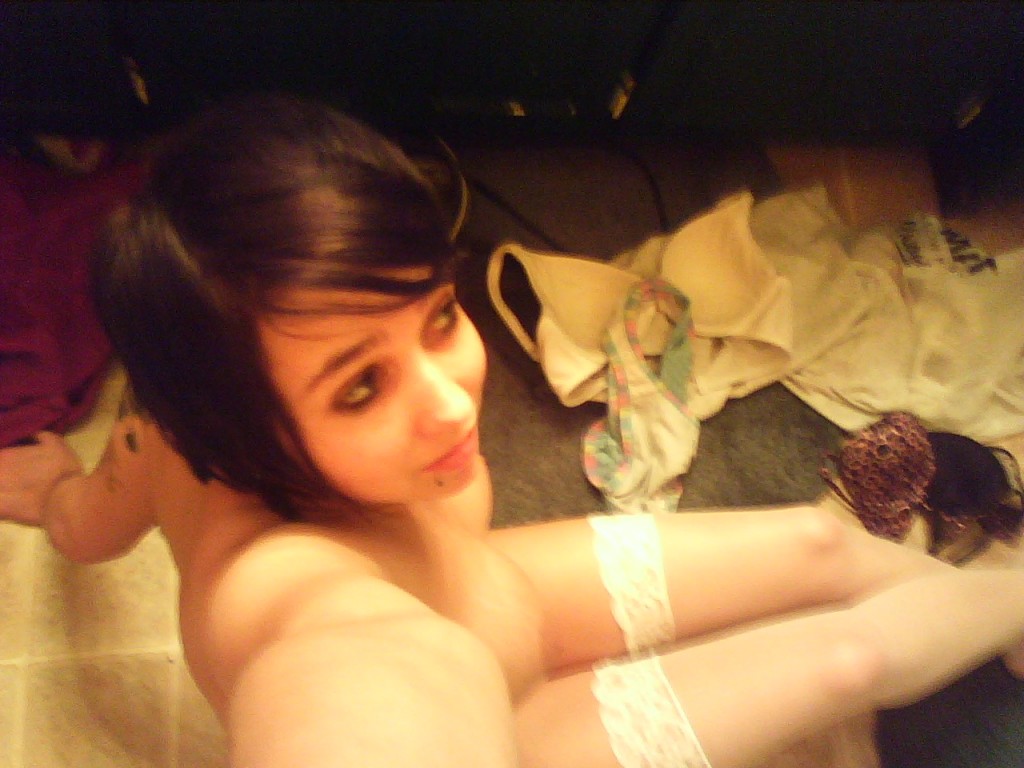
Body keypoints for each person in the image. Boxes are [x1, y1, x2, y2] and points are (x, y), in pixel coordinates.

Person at [1, 92, 1023, 768]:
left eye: (438, 317)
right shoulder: (297, 604)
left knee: (817, 543)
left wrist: (52, 490)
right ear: (224, 433)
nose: (453, 402)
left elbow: (85, 520)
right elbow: (349, 694)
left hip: (496, 594)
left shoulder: (152, 432)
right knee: (843, 662)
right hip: (515, 723)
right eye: (359, 388)